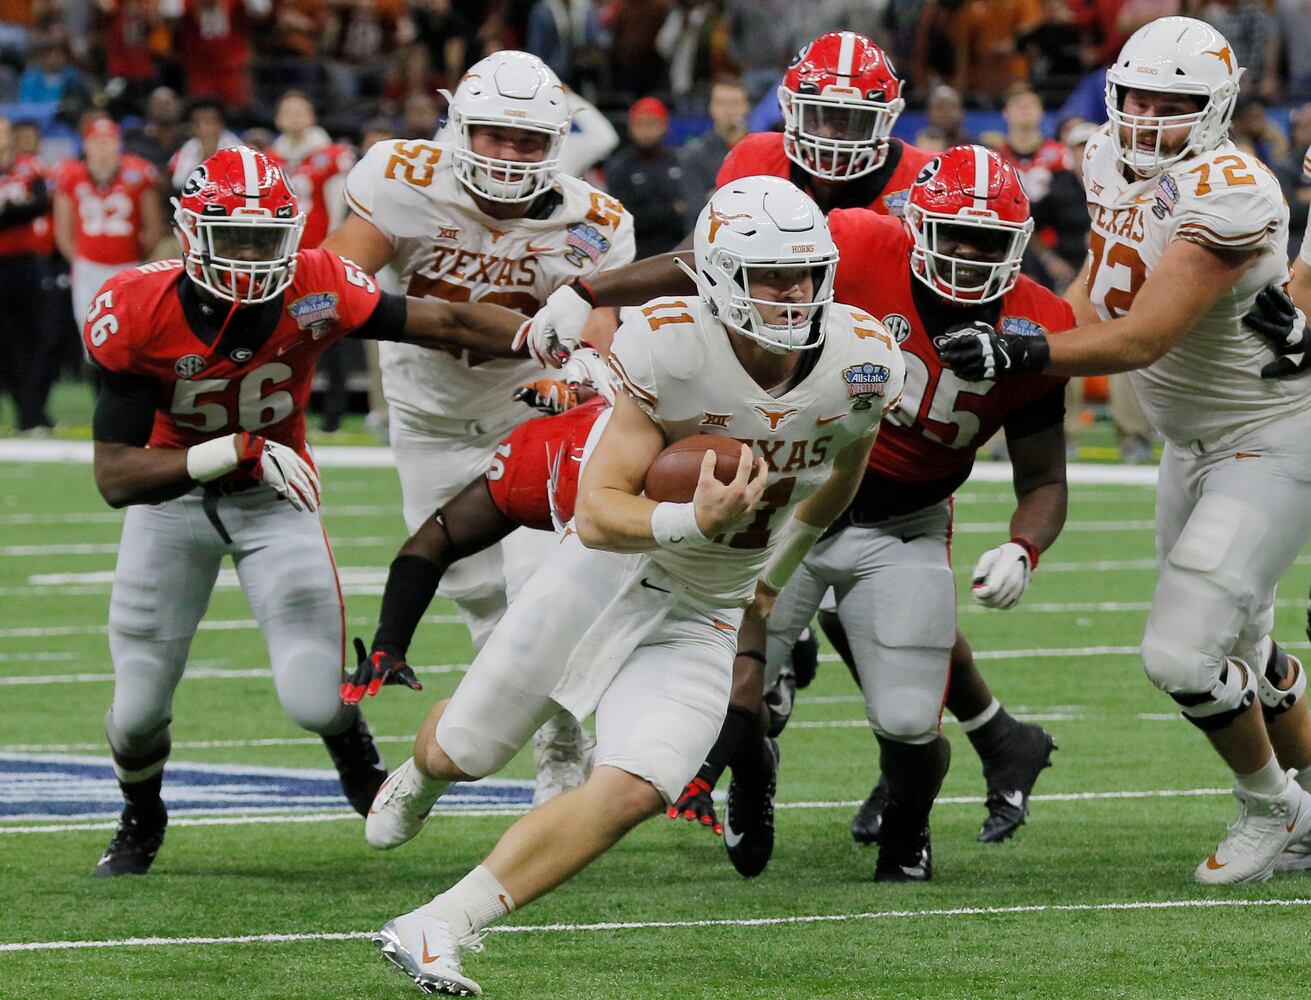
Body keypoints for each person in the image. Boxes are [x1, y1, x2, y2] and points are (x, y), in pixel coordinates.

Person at [364, 176, 905, 995]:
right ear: (717, 275)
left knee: (640, 782)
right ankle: (423, 773)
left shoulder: (861, 361)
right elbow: (596, 513)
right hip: (607, 574)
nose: (791, 292)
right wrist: (694, 519)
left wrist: (770, 578)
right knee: (465, 749)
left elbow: (841, 476)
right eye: (767, 274)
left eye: (804, 271)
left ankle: (438, 924)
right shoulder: (667, 345)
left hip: (708, 604)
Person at [83, 145, 531, 878]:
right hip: (174, 504)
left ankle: (354, 754)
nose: (252, 256)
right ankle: (141, 813)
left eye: (266, 237)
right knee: (134, 713)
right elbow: (117, 477)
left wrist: (540, 336)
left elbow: (444, 321)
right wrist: (238, 449)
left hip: (272, 502)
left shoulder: (318, 284)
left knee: (313, 699)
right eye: (235, 238)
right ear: (192, 233)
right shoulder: (138, 308)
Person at [939, 16, 1311, 885]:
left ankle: (1271, 806)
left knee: (1180, 655)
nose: (1146, 117)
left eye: (1172, 104)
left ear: (1214, 110)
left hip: (1266, 438)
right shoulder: (1103, 156)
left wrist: (1023, 351)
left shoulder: (1232, 190)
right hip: (1191, 442)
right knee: (1244, 650)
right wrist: (1024, 337)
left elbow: (1141, 336)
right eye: (1137, 96)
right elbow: (1094, 293)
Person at [319, 50, 636, 805]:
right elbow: (336, 285)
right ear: (458, 126)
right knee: (478, 598)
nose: (507, 154)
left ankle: (561, 744)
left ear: (555, 146)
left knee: (543, 582)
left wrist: (579, 375)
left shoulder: (590, 222)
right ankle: (552, 724)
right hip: (427, 417)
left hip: (525, 410)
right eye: (493, 135)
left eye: (526, 142)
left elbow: (599, 335)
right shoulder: (400, 177)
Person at [716, 31, 932, 219]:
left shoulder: (925, 179)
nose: (831, 134)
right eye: (818, 117)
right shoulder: (756, 158)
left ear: (885, 119)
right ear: (790, 109)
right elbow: (707, 248)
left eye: (850, 121)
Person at [54, 118, 163, 325]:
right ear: (85, 144)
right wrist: (82, 261)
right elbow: (63, 233)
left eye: (108, 140)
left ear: (119, 143)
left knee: (131, 328)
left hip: (129, 264)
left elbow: (153, 228)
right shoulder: (70, 175)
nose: (103, 147)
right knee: (89, 329)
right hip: (88, 266)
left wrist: (138, 260)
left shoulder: (139, 173)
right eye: (97, 141)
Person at [0, 114, 53, 433]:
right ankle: (25, 407)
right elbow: (29, 207)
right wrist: (18, 210)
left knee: (37, 337)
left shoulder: (30, 168)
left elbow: (40, 206)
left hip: (26, 262)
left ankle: (33, 409)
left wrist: (7, 212)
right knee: (5, 342)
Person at [604, 97, 686, 259]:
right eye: (640, 123)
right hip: (635, 252)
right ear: (630, 126)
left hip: (679, 250)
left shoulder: (681, 161)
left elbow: (690, 209)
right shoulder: (618, 166)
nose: (646, 130)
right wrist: (672, 210)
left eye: (652, 123)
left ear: (664, 125)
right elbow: (624, 217)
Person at [677, 77, 751, 229]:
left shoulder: (761, 150)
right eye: (722, 103)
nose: (728, 110)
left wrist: (716, 194)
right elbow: (696, 208)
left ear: (747, 107)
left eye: (735, 103)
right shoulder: (693, 154)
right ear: (711, 108)